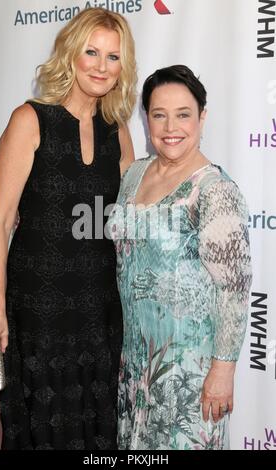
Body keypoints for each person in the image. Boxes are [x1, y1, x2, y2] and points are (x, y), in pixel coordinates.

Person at [0, 7, 137, 450]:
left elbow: (127, 222)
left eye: (113, 57)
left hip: (99, 311)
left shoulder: (118, 131)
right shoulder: (29, 120)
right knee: (36, 426)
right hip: (37, 311)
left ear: (124, 67)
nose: (102, 66)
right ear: (71, 54)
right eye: (92, 52)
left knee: (95, 431)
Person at [107, 65, 252, 450]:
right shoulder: (133, 175)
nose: (171, 126)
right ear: (147, 119)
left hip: (189, 375)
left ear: (202, 117)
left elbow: (234, 290)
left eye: (184, 114)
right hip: (135, 369)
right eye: (159, 114)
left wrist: (223, 370)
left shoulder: (214, 190)